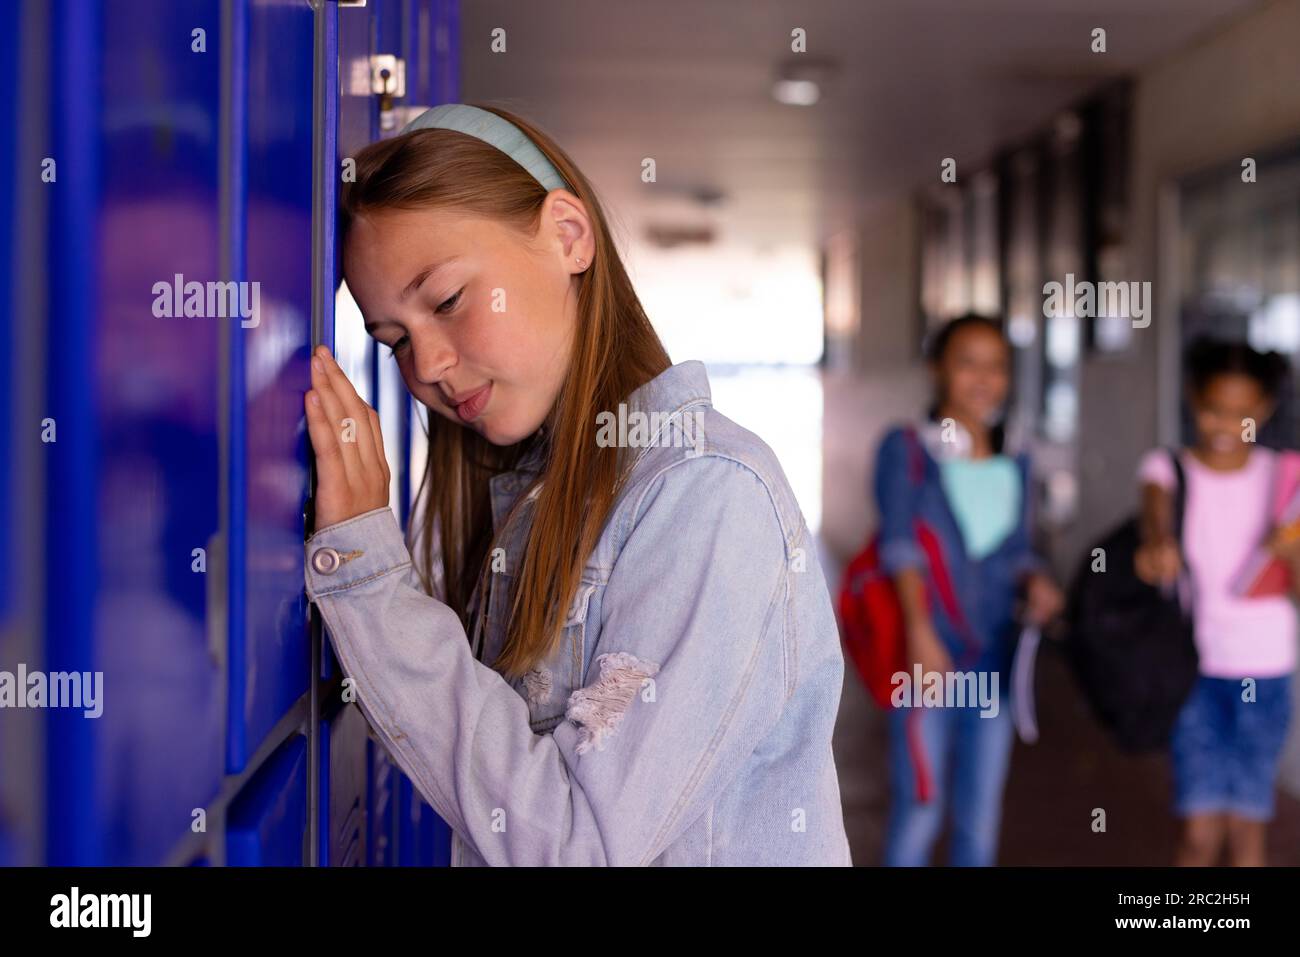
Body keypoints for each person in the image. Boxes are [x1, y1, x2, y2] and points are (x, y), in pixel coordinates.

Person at [301, 103, 851, 866]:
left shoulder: (708, 496)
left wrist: (369, 587)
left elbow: (579, 846)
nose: (424, 365)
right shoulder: (538, 495)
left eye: (448, 301)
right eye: (394, 341)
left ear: (568, 236)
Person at [874, 313, 1063, 866]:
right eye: (967, 362)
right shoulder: (907, 448)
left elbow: (1019, 549)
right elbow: (900, 545)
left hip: (995, 656)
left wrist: (1037, 580)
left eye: (997, 365)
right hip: (928, 653)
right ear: (937, 369)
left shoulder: (1018, 454)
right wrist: (919, 632)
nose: (983, 378)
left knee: (979, 818)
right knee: (921, 807)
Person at [1134, 336, 1298, 866]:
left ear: (1263, 410)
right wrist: (1158, 544)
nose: (1225, 427)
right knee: (1198, 835)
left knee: (1247, 834)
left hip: (1266, 674)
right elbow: (1155, 516)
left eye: (1240, 414)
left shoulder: (1285, 480)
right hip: (1194, 671)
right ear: (1191, 400)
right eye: (1212, 411)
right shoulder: (1169, 470)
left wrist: (1288, 553)